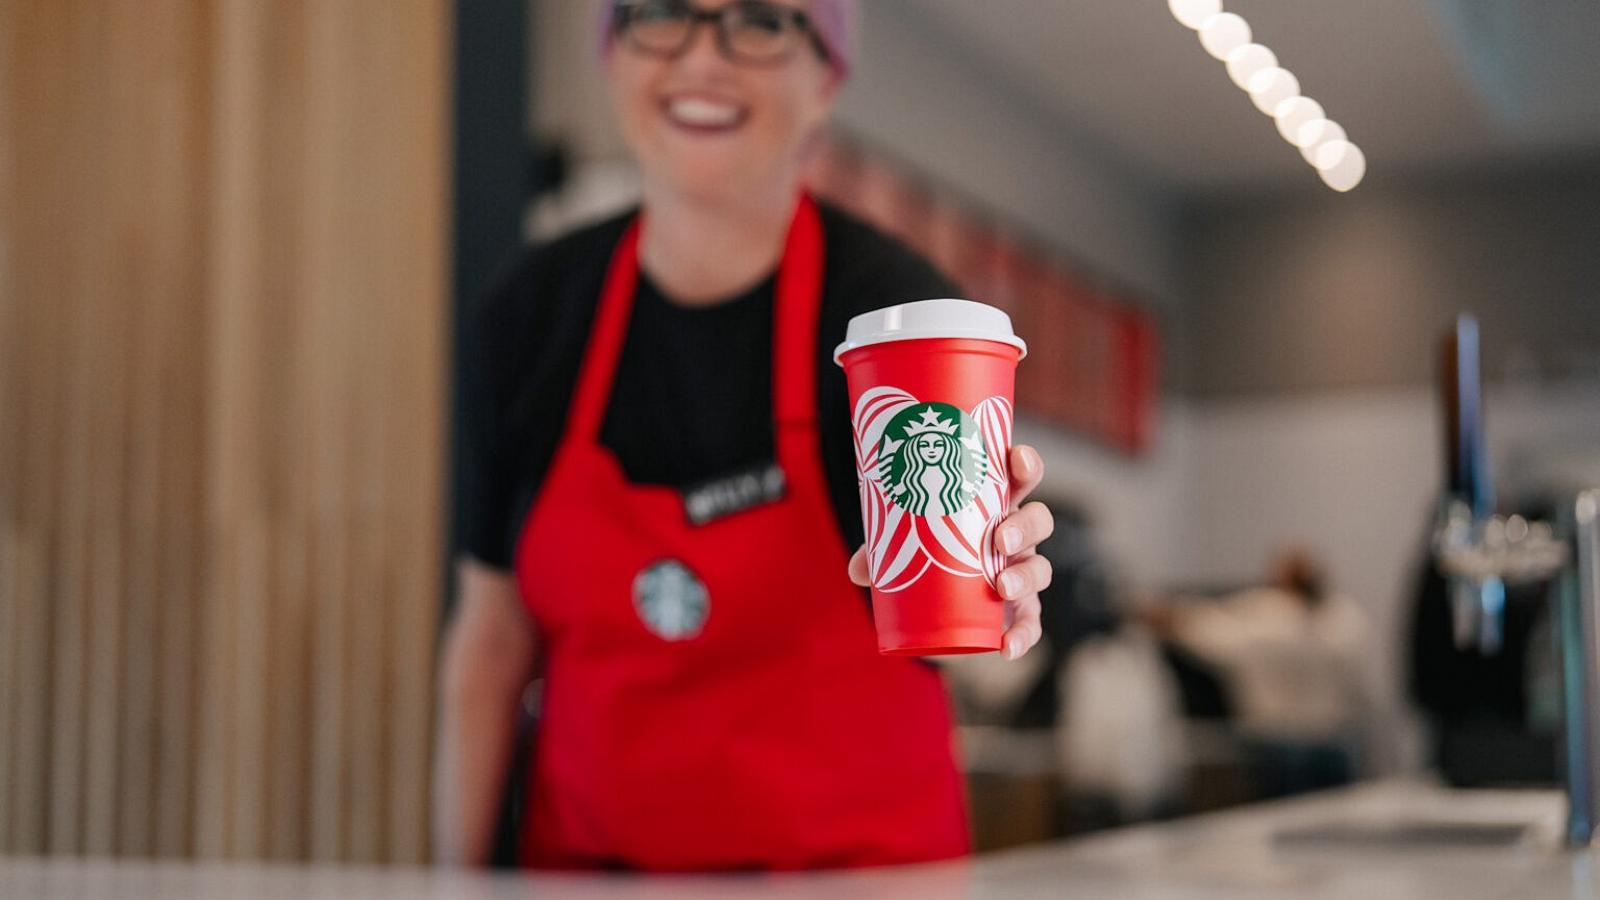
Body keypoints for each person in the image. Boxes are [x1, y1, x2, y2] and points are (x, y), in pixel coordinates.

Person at [433, 0, 1056, 871]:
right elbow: (489, 645)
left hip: (852, 880)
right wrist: (455, 882)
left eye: (760, 21)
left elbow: (956, 570)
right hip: (591, 877)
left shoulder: (892, 322)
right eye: (660, 14)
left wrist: (997, 577)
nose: (701, 58)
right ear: (611, 53)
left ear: (826, 79)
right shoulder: (531, 315)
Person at [1142, 548, 1368, 798]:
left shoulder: (1269, 616)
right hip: (1332, 741)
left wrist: (1168, 616)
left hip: (1279, 745)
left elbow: (1211, 631)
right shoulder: (1345, 619)